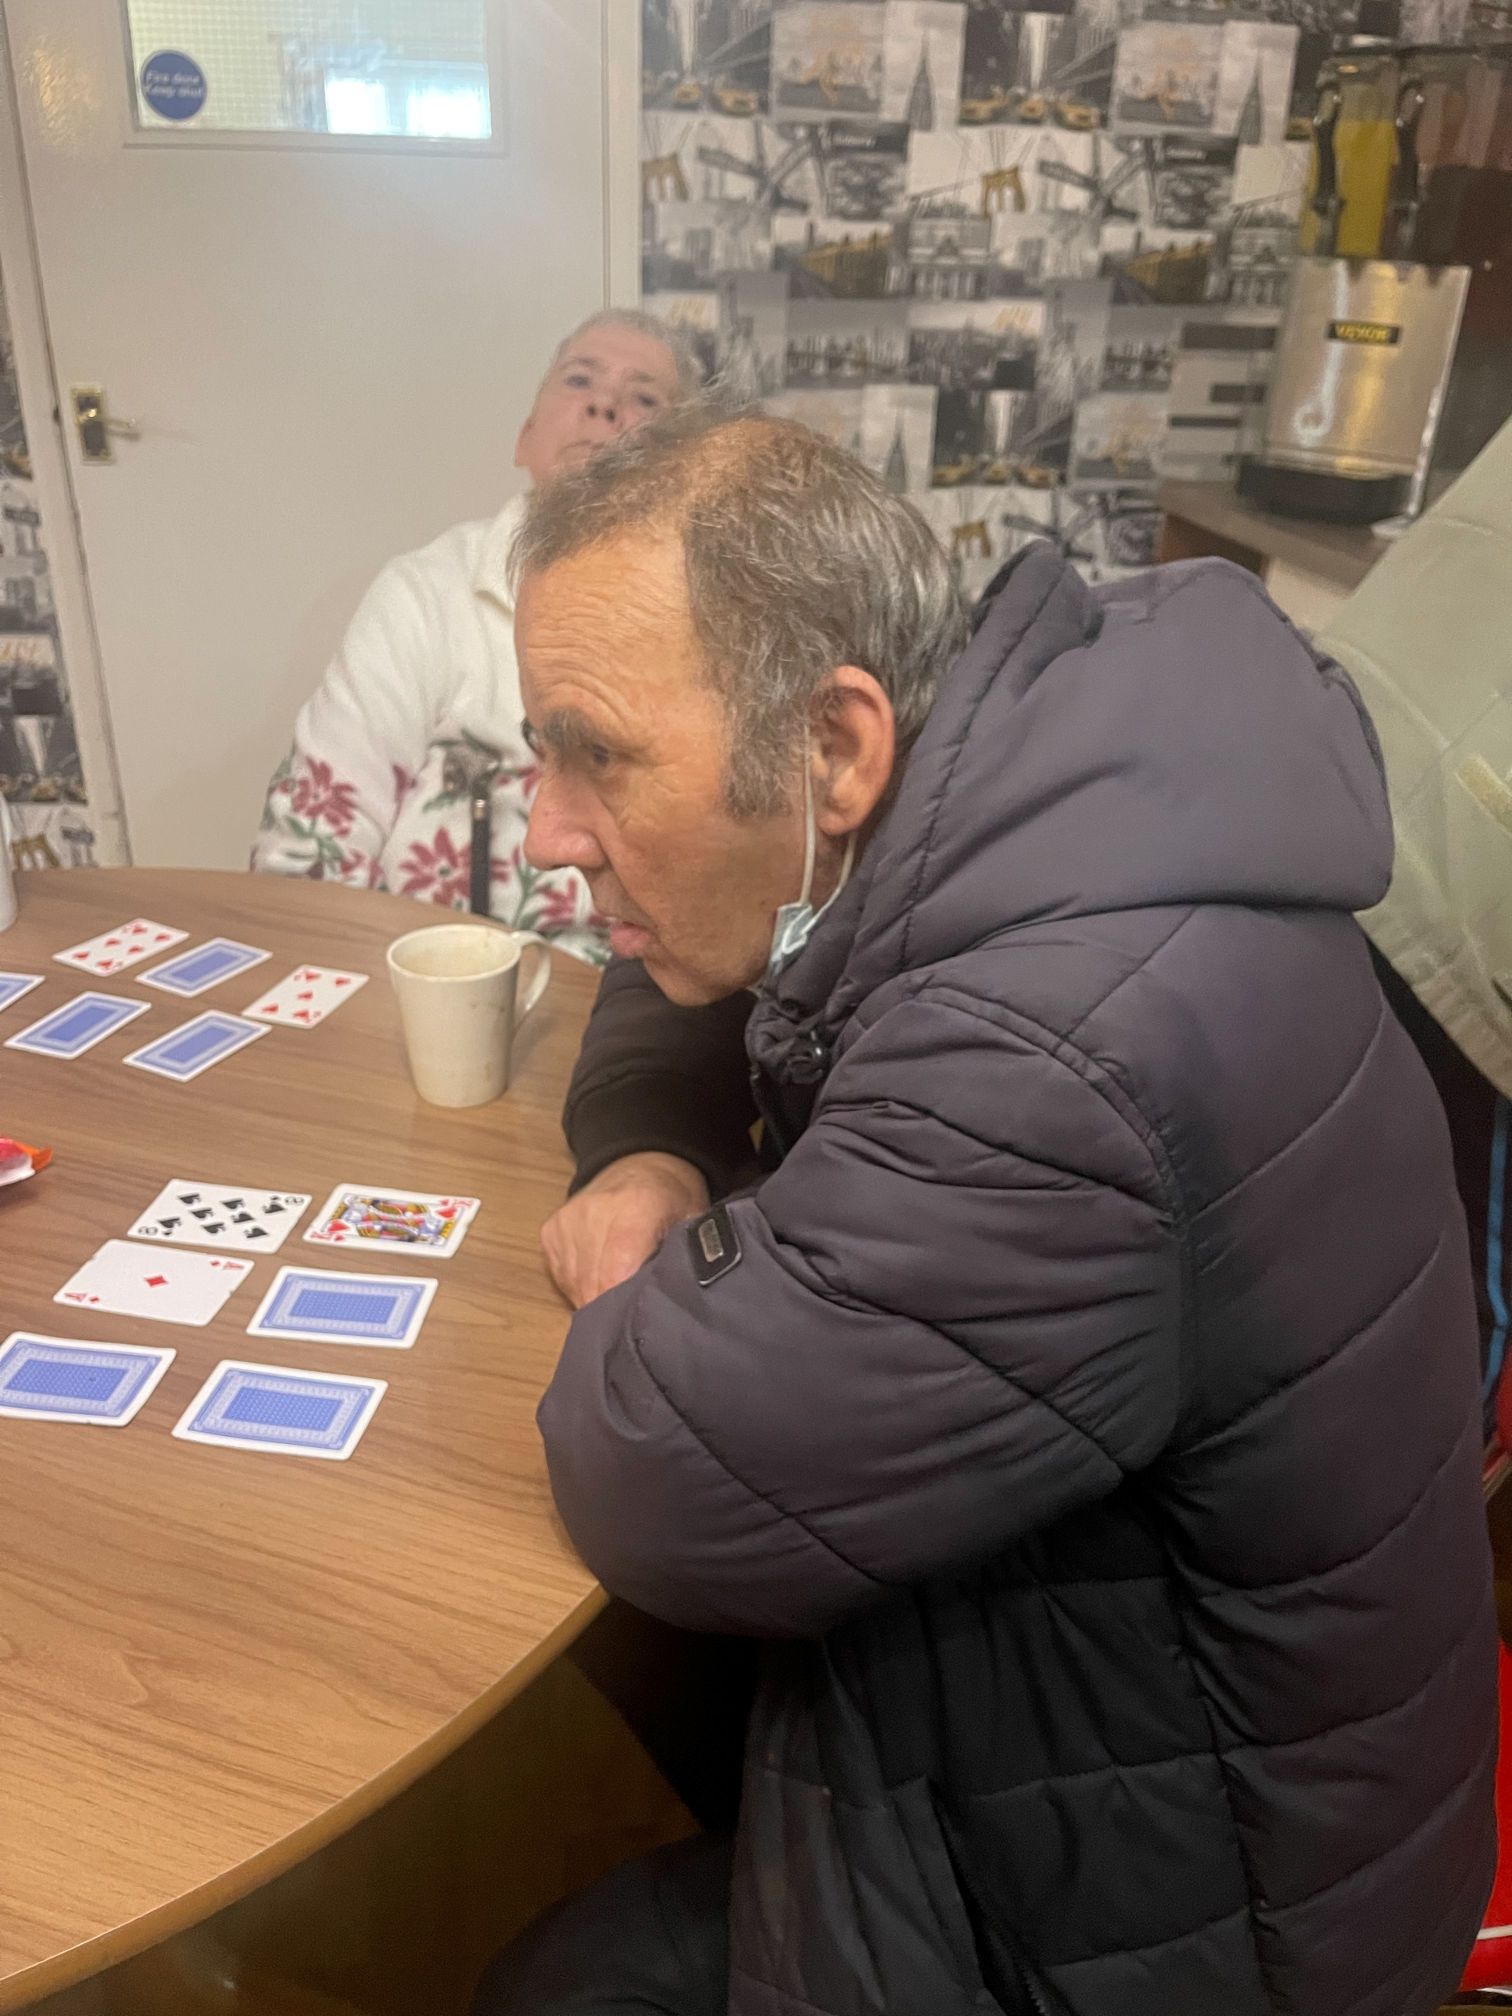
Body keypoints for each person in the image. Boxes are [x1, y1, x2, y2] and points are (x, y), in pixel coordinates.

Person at [473, 404, 1495, 2016]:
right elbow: (678, 967)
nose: (546, 830)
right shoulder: (1027, 786)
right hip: (1144, 1738)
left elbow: (658, 1469)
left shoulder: (1055, 1059)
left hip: (1214, 1929)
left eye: (596, 753)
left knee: (557, 1980)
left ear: (836, 747)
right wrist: (650, 1153)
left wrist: (659, 1283)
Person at [250, 311, 698, 961]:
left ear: (685, 466)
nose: (605, 406)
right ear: (524, 438)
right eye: (580, 380)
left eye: (644, 399)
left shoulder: (712, 619)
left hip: (642, 996)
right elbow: (305, 857)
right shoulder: (425, 596)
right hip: (422, 984)